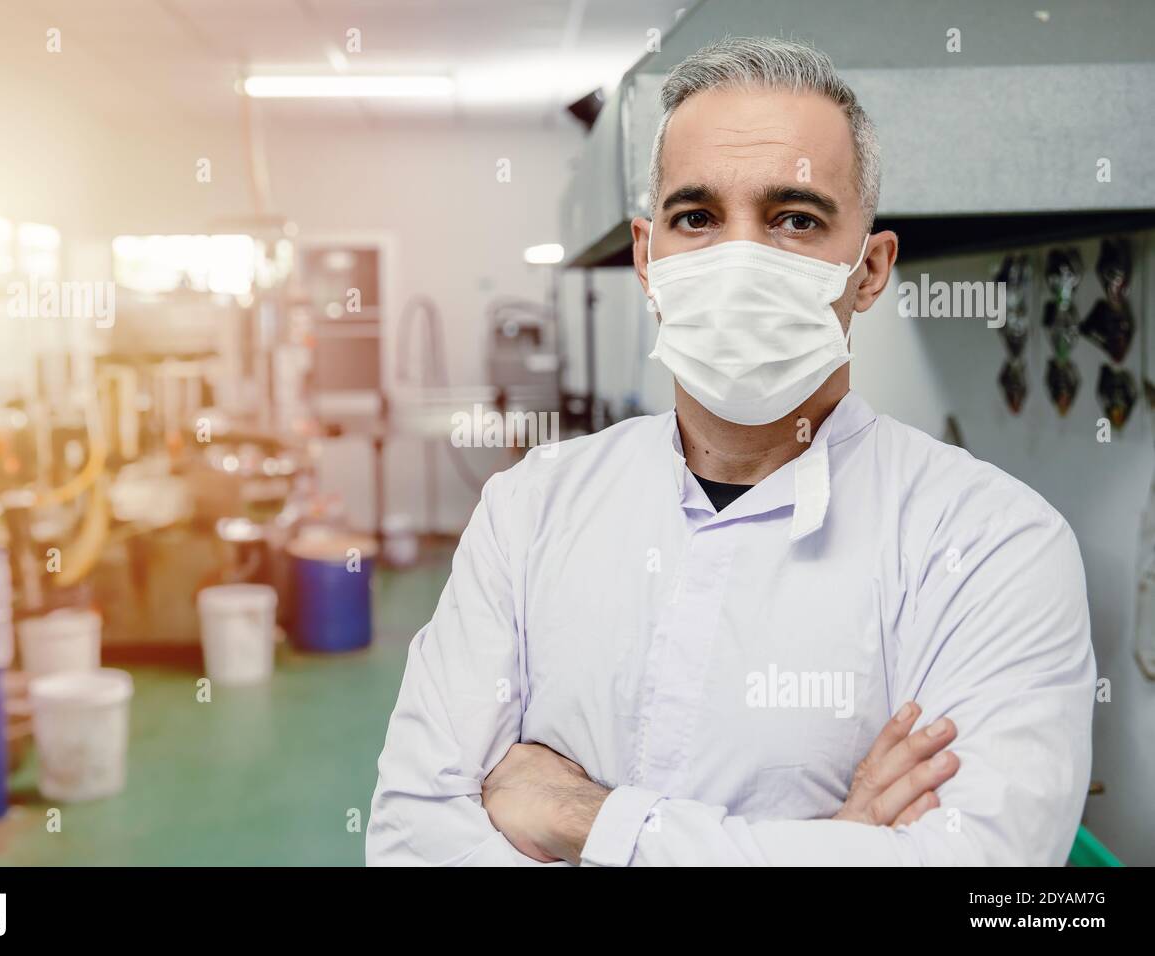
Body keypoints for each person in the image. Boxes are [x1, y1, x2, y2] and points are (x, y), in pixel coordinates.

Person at [367, 36, 1095, 866]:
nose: (741, 258)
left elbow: (986, 872)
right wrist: (830, 847)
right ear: (647, 258)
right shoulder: (530, 510)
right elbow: (411, 838)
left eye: (795, 218)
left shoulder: (994, 545)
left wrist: (583, 818)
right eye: (697, 217)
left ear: (870, 269)